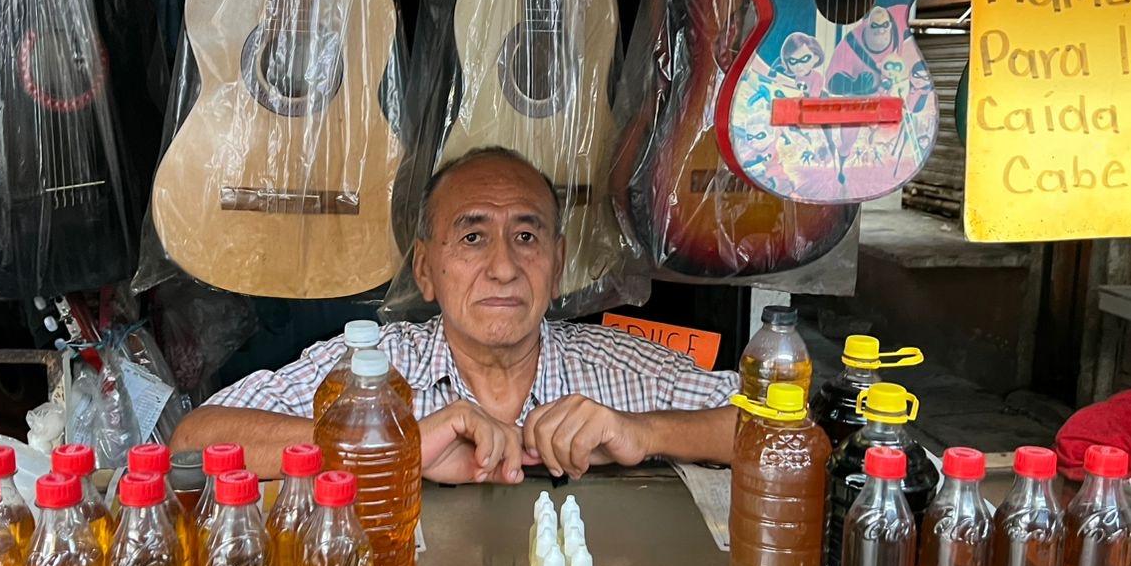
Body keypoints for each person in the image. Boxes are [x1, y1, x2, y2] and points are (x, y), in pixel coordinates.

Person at [171, 147, 738, 483]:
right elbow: (196, 439)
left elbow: (785, 432)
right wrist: (398, 446)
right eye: (472, 237)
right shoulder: (370, 369)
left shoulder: (617, 369)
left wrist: (642, 431)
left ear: (558, 264)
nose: (503, 268)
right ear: (425, 269)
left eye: (525, 235)